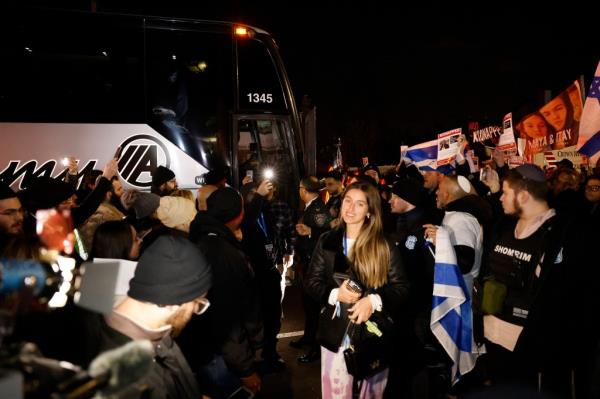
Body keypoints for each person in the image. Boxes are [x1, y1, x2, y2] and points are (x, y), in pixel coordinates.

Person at [305, 181, 409, 398]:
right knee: (335, 393)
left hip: (373, 335)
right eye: (348, 201)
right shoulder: (328, 240)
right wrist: (335, 294)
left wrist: (373, 301)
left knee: (371, 394)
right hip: (335, 333)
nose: (350, 209)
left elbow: (401, 287)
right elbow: (311, 282)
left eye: (359, 204)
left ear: (370, 211)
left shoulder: (383, 245)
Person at [84, 235, 212, 398]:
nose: (195, 311)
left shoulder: (151, 327)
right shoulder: (130, 384)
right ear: (170, 303)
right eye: (197, 303)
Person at [183, 186, 263, 398]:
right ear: (239, 215)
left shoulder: (199, 237)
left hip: (202, 351)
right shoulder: (223, 254)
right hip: (219, 358)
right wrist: (246, 369)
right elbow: (227, 320)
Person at [292, 176, 331, 363]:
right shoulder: (311, 207)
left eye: (299, 188)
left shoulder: (317, 209)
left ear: (304, 190)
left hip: (315, 265)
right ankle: (308, 338)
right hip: (307, 262)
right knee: (308, 306)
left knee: (315, 308)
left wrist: (310, 232)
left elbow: (327, 234)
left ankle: (316, 347)